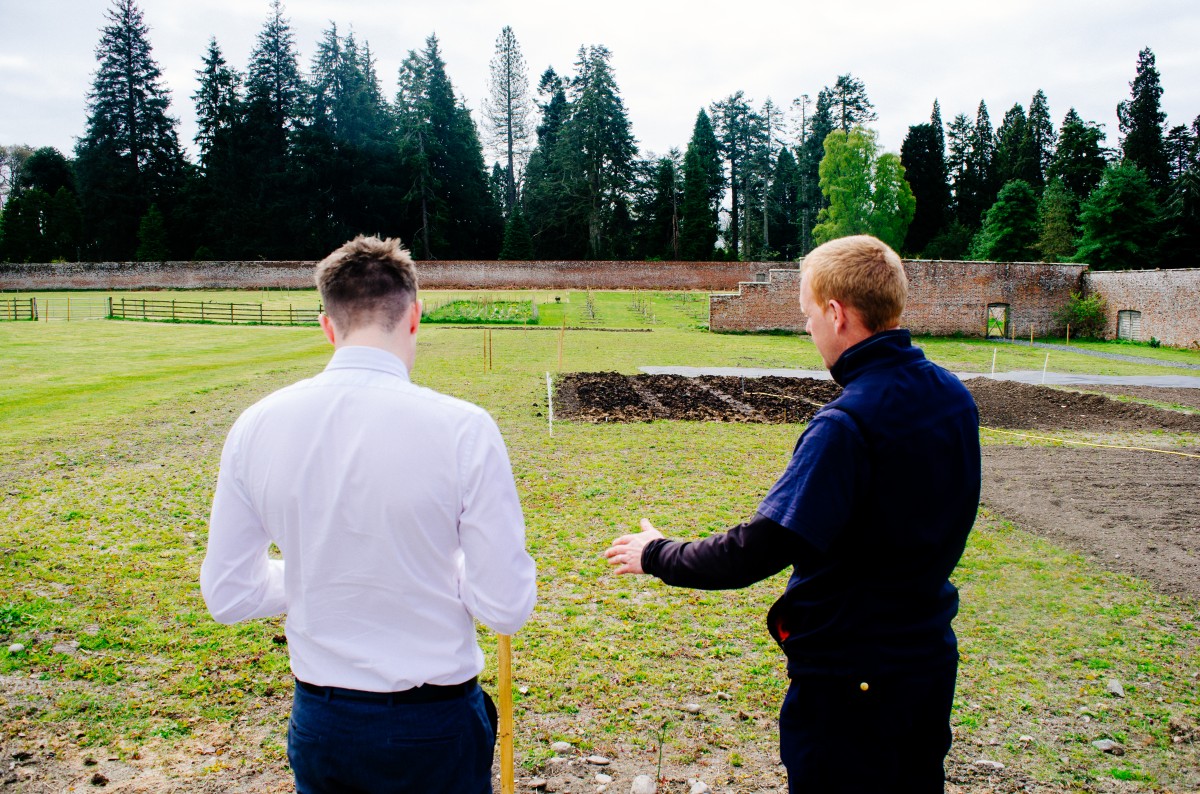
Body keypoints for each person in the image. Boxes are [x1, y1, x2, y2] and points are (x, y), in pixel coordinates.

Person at [605, 234, 981, 792]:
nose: (807, 328)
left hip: (852, 682)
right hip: (926, 663)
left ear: (836, 314)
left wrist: (658, 554)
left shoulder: (846, 425)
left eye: (808, 315)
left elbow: (760, 548)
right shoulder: (952, 397)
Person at [201, 235, 536, 794]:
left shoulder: (255, 426)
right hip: (436, 723)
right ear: (414, 317)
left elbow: (230, 594)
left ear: (327, 326)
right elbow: (504, 606)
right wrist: (433, 572)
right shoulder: (464, 428)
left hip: (325, 724)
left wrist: (322, 572)